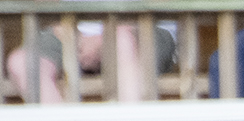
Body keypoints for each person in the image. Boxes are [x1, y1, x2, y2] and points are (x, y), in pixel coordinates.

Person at [5, 1, 176, 104]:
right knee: (22, 62)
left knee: (122, 41)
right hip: (71, 27)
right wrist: (70, 32)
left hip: (143, 25)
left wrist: (105, 37)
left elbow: (161, 4)